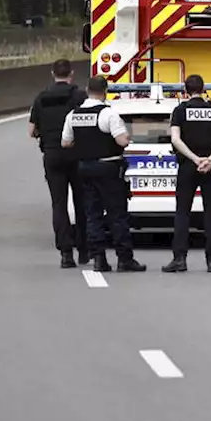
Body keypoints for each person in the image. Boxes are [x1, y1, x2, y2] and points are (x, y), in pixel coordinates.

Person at [61, 76, 146, 273]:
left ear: (87, 90)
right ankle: (124, 259)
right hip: (108, 168)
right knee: (117, 215)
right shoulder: (108, 114)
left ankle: (99, 258)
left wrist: (84, 144)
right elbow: (122, 141)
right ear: (105, 91)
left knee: (93, 215)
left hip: (84, 169)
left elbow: (65, 142)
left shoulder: (73, 114)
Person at [162, 74, 211, 274]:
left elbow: (175, 139)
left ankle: (180, 259)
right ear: (204, 90)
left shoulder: (180, 111)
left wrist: (194, 159)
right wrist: (210, 159)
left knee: (182, 212)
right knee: (210, 212)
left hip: (188, 167)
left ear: (185, 91)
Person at [28, 59, 89, 267]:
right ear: (71, 74)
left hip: (53, 154)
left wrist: (45, 132)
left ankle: (65, 253)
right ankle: (83, 250)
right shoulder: (80, 96)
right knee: (82, 203)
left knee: (59, 204)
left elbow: (31, 131)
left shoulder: (41, 97)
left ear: (52, 73)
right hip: (78, 154)